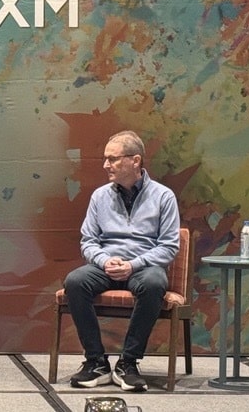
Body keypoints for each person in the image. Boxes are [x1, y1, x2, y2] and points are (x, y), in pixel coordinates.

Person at [64, 130, 180, 392]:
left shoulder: (163, 196)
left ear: (135, 160)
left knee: (154, 282)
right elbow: (88, 241)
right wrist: (104, 260)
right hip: (107, 265)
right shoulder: (100, 196)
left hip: (143, 267)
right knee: (75, 281)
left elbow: (169, 246)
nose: (106, 165)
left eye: (113, 159)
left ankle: (128, 362)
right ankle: (96, 362)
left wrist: (133, 264)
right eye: (105, 159)